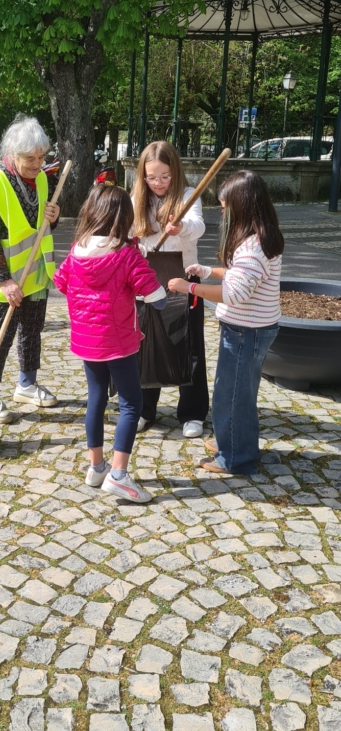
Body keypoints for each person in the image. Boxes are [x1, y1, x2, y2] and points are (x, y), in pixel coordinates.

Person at [54, 184, 166, 502]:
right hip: (118, 342)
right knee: (132, 403)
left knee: (96, 398)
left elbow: (61, 282)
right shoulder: (126, 255)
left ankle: (96, 467)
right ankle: (118, 474)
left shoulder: (77, 250)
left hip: (86, 341)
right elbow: (155, 298)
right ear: (124, 217)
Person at [169, 169, 283, 476]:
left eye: (225, 207)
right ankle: (230, 440)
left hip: (246, 331)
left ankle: (237, 458)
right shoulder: (260, 237)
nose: (222, 212)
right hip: (253, 328)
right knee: (236, 391)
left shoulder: (252, 247)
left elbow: (233, 293)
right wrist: (208, 270)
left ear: (242, 206)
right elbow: (239, 275)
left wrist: (188, 287)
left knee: (232, 394)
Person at [0, 114, 61, 423]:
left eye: (41, 157)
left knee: (33, 331)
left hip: (36, 273)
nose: (38, 163)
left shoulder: (42, 177)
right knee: (3, 333)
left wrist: (54, 215)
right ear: (12, 153)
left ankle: (26, 384)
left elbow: (43, 223)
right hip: (5, 279)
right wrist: (4, 281)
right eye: (30, 158)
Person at [132, 140, 208, 438]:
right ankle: (143, 409)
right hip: (146, 281)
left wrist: (182, 228)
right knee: (144, 346)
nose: (158, 183)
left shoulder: (188, 195)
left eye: (165, 176)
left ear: (175, 172)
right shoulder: (137, 197)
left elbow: (198, 225)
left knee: (189, 346)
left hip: (184, 280)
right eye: (151, 177)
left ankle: (193, 412)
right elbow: (125, 233)